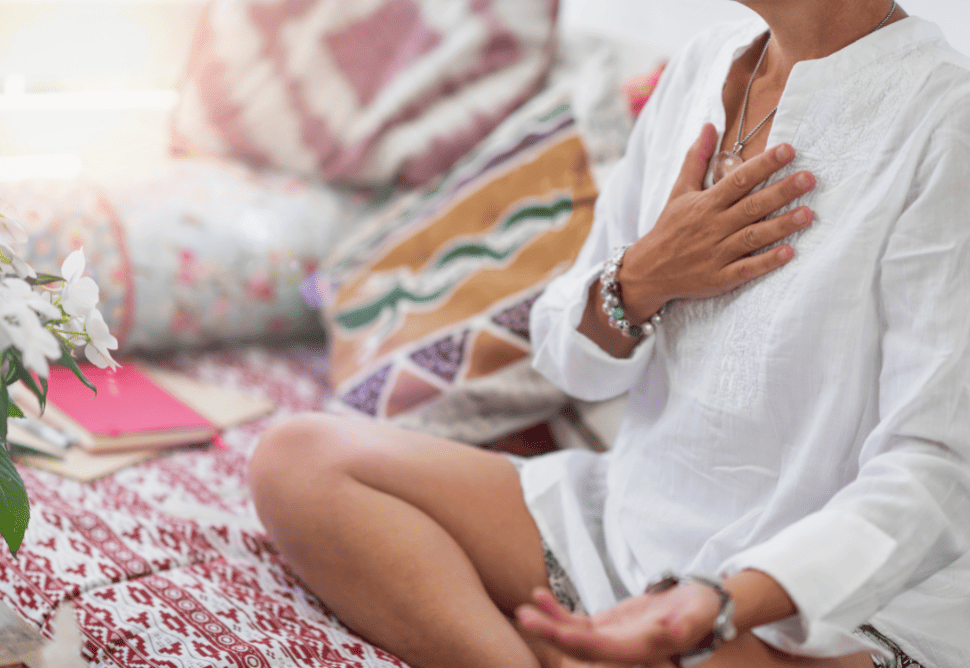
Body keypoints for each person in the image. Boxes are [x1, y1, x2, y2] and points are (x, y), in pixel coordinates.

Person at [248, 1, 970, 666]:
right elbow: (571, 364)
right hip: (628, 519)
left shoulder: (946, 122)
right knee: (299, 459)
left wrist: (720, 602)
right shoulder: (703, 65)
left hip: (825, 599)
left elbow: (935, 471)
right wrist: (641, 279)